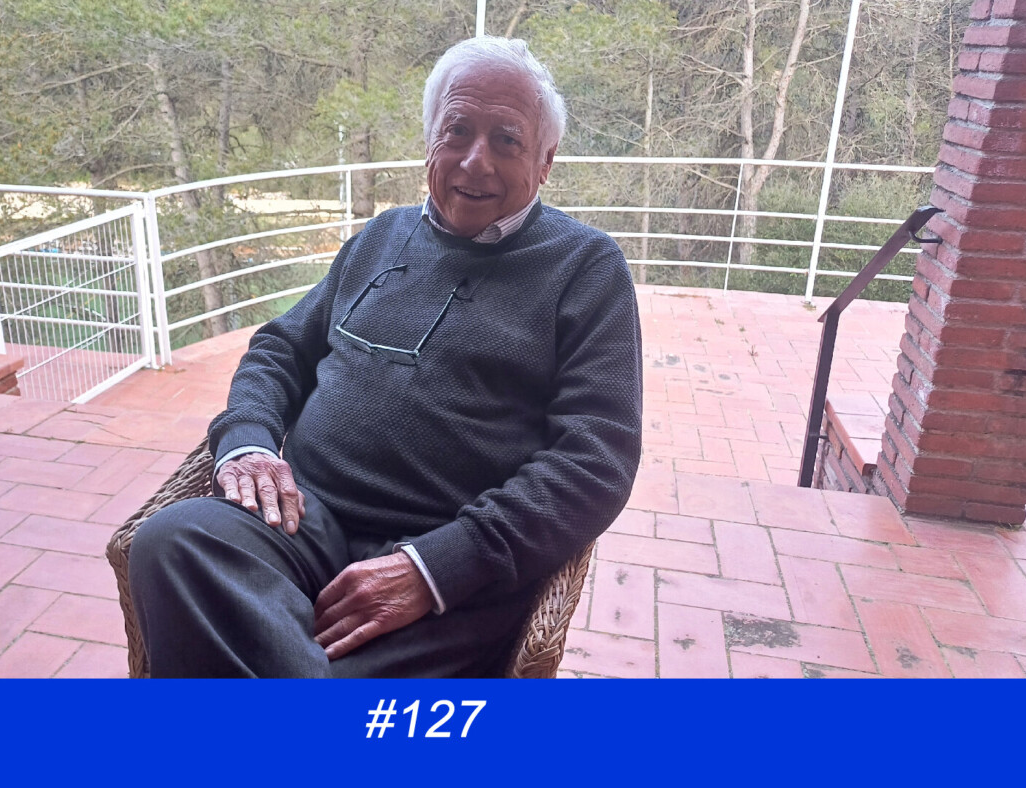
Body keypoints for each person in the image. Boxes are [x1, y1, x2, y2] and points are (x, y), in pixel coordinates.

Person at [128, 35, 642, 678]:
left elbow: (597, 459)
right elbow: (280, 348)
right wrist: (248, 441)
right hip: (301, 523)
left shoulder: (585, 267)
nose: (475, 161)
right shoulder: (382, 236)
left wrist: (433, 570)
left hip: (446, 569)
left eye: (507, 140)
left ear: (545, 162)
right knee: (171, 543)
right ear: (430, 141)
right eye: (457, 131)